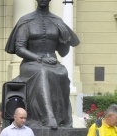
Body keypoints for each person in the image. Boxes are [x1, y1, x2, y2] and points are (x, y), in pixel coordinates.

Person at [5, 0, 80, 128]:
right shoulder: (26, 20)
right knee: (42, 72)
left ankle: (62, 118)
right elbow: (19, 48)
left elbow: (63, 53)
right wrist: (40, 59)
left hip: (53, 64)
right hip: (30, 64)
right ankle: (47, 117)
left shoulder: (57, 21)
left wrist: (65, 38)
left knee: (63, 72)